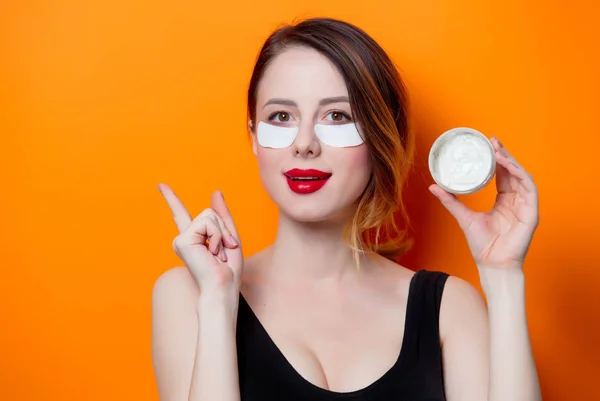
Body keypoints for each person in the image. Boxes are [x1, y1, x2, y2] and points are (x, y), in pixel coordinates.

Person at [151, 17, 542, 401]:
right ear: (253, 135)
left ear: (378, 135)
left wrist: (503, 275)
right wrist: (219, 304)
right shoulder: (189, 294)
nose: (304, 143)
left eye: (337, 116)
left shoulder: (449, 308)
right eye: (280, 117)